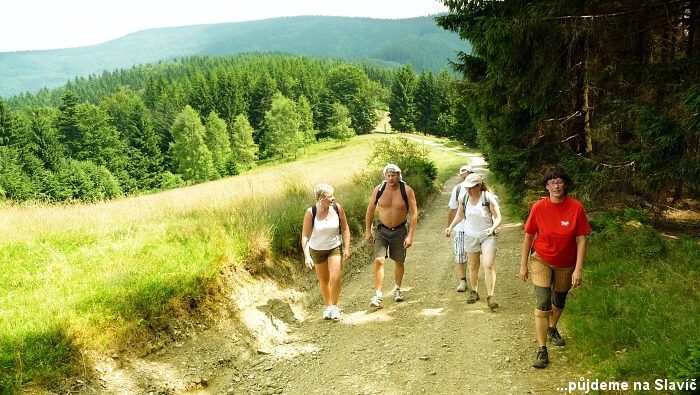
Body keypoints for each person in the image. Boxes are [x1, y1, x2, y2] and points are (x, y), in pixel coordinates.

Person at [518, 166, 591, 369]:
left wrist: (578, 269)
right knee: (543, 302)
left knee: (559, 300)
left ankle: (552, 328)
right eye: (551, 182)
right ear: (546, 187)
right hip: (541, 259)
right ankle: (542, 350)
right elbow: (528, 237)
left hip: (566, 263)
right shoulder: (538, 208)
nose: (556, 186)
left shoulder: (576, 207)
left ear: (565, 184)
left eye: (559, 182)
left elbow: (582, 240)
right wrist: (523, 264)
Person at [444, 172, 502, 309]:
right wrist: (450, 227)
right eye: (466, 187)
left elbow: (498, 218)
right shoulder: (463, 197)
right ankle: (474, 292)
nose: (468, 190)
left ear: (479, 186)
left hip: (488, 235)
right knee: (473, 265)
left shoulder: (488, 198)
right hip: (470, 235)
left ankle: (490, 296)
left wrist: (492, 228)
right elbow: (459, 214)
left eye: (471, 187)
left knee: (488, 265)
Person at [365, 163, 418, 308]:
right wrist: (368, 230)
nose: (390, 178)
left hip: (400, 230)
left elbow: (414, 214)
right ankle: (378, 294)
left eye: (393, 175)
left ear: (399, 176)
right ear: (384, 176)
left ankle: (397, 289)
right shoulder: (379, 190)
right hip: (381, 229)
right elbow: (370, 209)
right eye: (388, 176)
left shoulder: (406, 191)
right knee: (379, 260)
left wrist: (410, 236)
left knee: (399, 261)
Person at [301, 183, 351, 320]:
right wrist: (307, 256)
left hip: (334, 246)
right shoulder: (311, 212)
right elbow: (305, 235)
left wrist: (347, 247)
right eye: (330, 197)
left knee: (336, 277)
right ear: (321, 198)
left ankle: (334, 306)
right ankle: (328, 306)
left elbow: (345, 228)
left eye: (333, 196)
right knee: (324, 280)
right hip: (317, 249)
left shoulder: (337, 208)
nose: (333, 199)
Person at [447, 165, 474, 292]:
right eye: (463, 176)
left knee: (474, 255)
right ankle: (463, 280)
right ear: (461, 177)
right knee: (460, 254)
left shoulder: (480, 187)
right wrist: (449, 227)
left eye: (468, 175)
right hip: (461, 226)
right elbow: (452, 209)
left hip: (476, 227)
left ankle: (474, 279)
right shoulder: (457, 189)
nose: (466, 178)